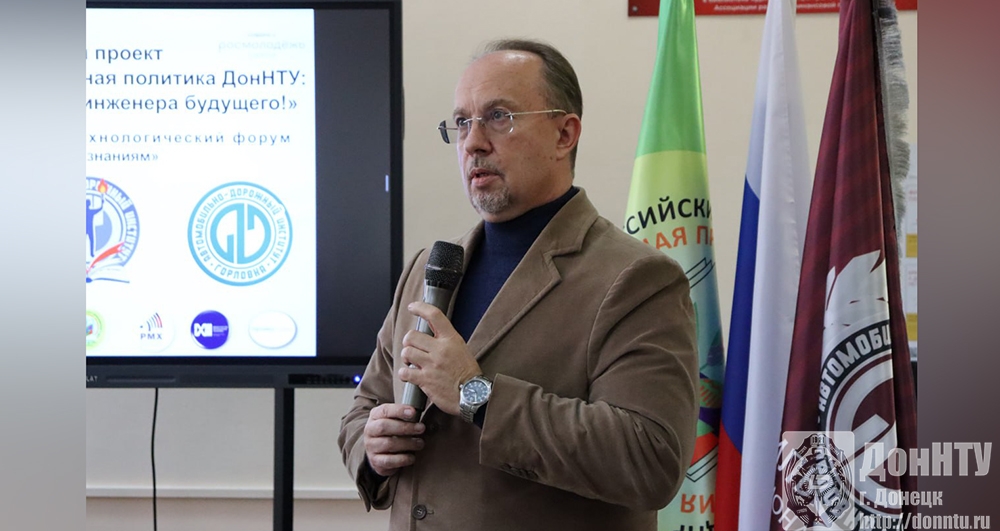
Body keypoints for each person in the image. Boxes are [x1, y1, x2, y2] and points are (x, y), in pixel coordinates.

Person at [338, 38, 699, 531]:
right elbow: (364, 408)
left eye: (498, 117)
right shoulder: (428, 269)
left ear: (564, 134)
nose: (473, 142)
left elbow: (649, 459)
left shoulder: (637, 278)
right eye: (462, 122)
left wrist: (476, 395)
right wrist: (371, 444)